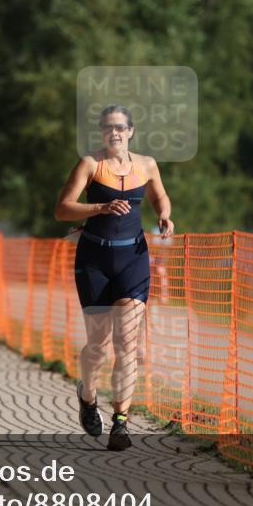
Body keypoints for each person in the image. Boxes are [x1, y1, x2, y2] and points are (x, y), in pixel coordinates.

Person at [54, 104, 173, 451]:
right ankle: (87, 396)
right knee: (97, 347)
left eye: (121, 127)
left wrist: (165, 215)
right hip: (94, 260)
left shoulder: (147, 165)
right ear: (102, 133)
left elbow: (160, 196)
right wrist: (100, 208)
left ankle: (121, 422)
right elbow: (62, 208)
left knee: (127, 344)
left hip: (133, 259)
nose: (114, 133)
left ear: (131, 131)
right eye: (108, 128)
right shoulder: (91, 165)